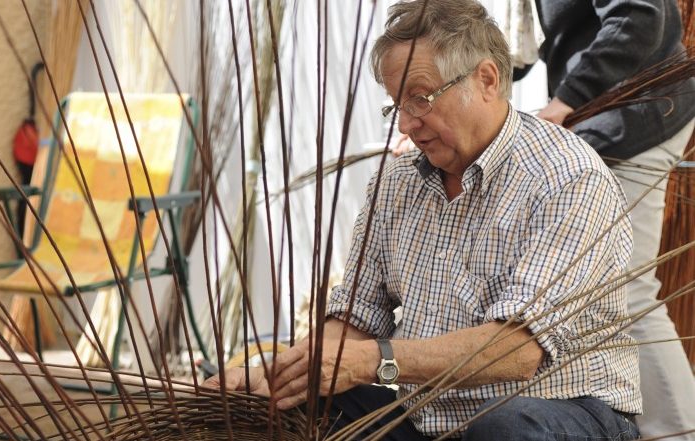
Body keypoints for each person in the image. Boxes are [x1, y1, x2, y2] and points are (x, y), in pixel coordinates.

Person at [206, 0, 642, 439]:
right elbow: (357, 317)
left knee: (507, 429)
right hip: (426, 412)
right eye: (397, 106)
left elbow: (517, 350)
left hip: (559, 410)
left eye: (420, 99)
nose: (407, 126)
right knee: (299, 402)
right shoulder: (396, 184)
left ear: (486, 79)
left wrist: (377, 361)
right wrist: (283, 374)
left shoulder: (568, 179)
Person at [513, 1, 695, 438]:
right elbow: (523, 47)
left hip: (636, 113)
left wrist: (565, 100)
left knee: (626, 287)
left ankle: (680, 431)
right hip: (603, 116)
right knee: (600, 290)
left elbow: (639, 13)